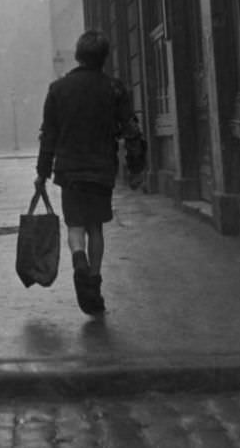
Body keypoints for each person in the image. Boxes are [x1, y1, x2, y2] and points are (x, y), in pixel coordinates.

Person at [34, 30, 146, 315]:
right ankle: (94, 281)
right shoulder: (115, 88)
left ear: (77, 55)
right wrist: (135, 169)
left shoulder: (58, 89)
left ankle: (79, 262)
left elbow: (48, 135)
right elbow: (132, 131)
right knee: (96, 227)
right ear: (104, 58)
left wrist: (42, 173)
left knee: (75, 226)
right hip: (101, 169)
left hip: (69, 170)